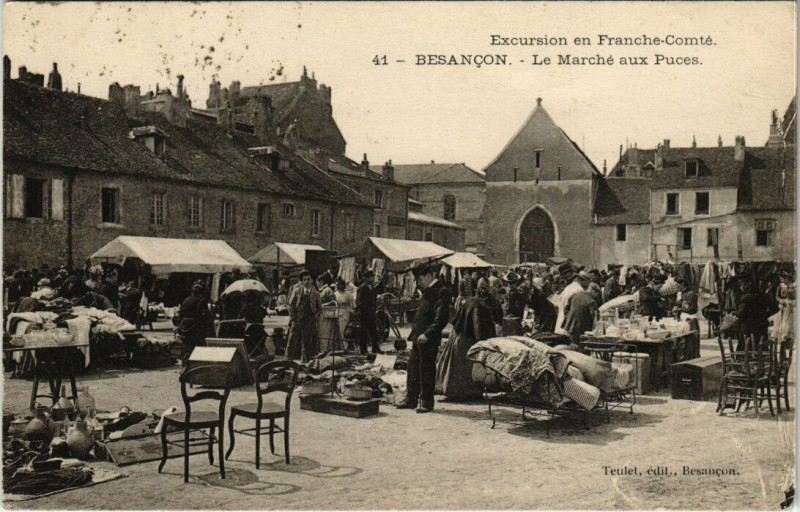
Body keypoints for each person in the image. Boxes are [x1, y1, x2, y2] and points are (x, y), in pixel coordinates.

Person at [397, 264, 451, 413]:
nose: (418, 282)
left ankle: (427, 403)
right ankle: (411, 400)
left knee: (427, 370)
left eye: (420, 279)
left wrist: (427, 334)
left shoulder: (441, 291)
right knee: (413, 369)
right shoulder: (427, 291)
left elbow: (441, 318)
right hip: (418, 338)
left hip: (428, 338)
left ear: (429, 276)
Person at [436, 281, 499, 400]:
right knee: (463, 366)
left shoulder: (473, 301)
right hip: (465, 338)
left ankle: (458, 392)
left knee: (456, 365)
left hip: (459, 334)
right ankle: (464, 393)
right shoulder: (477, 306)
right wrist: (482, 341)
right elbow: (477, 325)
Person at [285, 270, 322, 361]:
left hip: (309, 320)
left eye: (308, 279)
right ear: (302, 281)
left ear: (312, 281)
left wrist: (315, 316)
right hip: (297, 319)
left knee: (307, 340)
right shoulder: (296, 291)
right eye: (304, 279)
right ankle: (287, 360)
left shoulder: (316, 293)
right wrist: (293, 318)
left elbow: (319, 308)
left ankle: (305, 360)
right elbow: (290, 305)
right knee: (292, 339)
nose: (306, 281)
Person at [178, 280, 214, 364]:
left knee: (186, 349)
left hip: (185, 327)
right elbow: (205, 316)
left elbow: (181, 314)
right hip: (196, 328)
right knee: (198, 349)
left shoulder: (186, 300)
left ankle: (185, 366)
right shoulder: (201, 301)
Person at [736, 277, 778, 349]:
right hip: (762, 325)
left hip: (748, 326)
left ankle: (745, 357)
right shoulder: (764, 297)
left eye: (741, 285)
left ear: (747, 286)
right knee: (761, 343)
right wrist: (765, 315)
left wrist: (736, 314)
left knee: (745, 342)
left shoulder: (745, 297)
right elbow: (775, 309)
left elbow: (741, 313)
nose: (740, 287)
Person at [355, 270, 381, 355]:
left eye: (373, 277)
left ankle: (375, 349)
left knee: (374, 331)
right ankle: (363, 350)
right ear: (366, 278)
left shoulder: (372, 287)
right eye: (371, 277)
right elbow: (358, 301)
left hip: (372, 313)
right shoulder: (362, 288)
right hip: (365, 314)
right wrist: (364, 310)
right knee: (364, 333)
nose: (373, 278)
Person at [556, 271, 589, 335]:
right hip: (568, 325)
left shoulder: (568, 288)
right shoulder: (579, 290)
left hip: (560, 322)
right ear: (584, 281)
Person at [501, 272, 526, 336]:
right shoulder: (518, 293)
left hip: (507, 314)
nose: (511, 285)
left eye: (512, 283)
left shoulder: (505, 290)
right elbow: (521, 306)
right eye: (511, 283)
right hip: (513, 314)